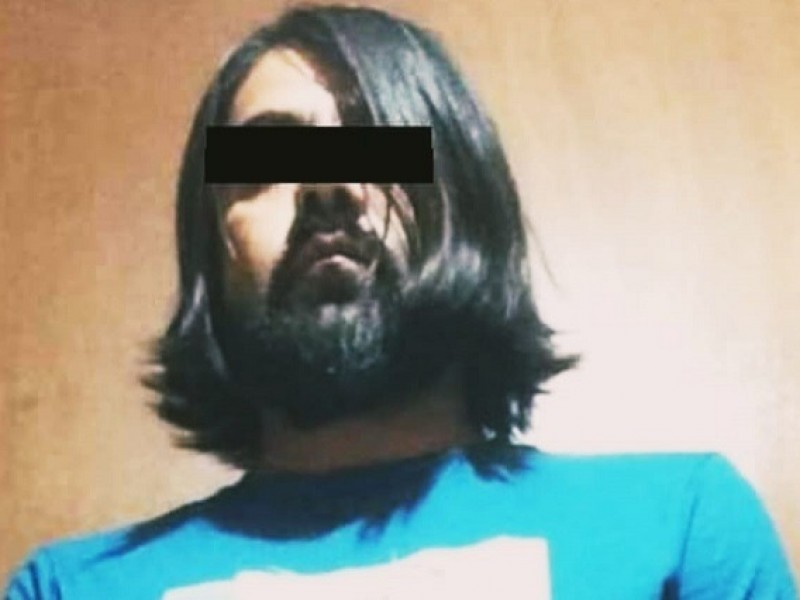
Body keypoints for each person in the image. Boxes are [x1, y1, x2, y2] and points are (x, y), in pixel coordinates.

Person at [6, 5, 797, 599]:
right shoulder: (71, 590)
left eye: (378, 141)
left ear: (463, 203)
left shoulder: (681, 530)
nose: (327, 184)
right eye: (269, 158)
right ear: (212, 245)